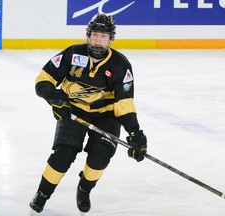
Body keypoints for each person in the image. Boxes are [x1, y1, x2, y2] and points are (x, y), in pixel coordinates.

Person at [29, 13, 147, 214]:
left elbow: (124, 104)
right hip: (73, 111)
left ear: (111, 39)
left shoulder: (120, 65)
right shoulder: (73, 54)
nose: (98, 41)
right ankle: (43, 193)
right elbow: (43, 80)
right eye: (94, 35)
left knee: (100, 156)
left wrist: (135, 133)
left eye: (103, 36)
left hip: (106, 116)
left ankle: (84, 188)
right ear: (88, 35)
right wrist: (56, 99)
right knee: (63, 155)